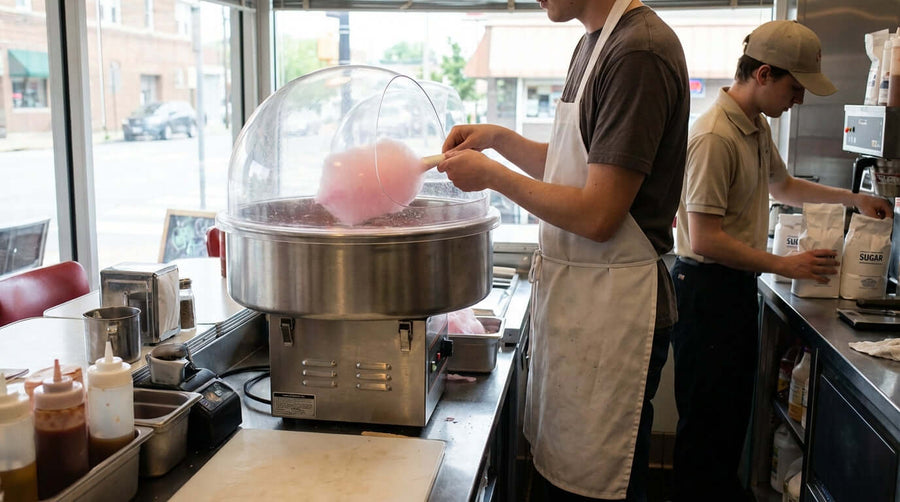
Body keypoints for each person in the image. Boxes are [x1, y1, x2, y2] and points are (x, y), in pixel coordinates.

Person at [437, 0, 689, 500]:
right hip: (586, 301)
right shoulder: (593, 43)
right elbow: (586, 166)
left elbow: (598, 213)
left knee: (600, 485)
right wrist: (500, 140)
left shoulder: (639, 52)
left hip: (616, 307)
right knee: (566, 480)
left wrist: (491, 176)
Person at [669, 20, 892, 501]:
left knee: (727, 423)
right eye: (795, 88)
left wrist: (853, 199)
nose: (800, 100)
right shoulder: (714, 138)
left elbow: (782, 186)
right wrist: (784, 264)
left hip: (730, 291)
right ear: (764, 74)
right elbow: (705, 239)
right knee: (705, 429)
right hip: (705, 292)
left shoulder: (754, 126)